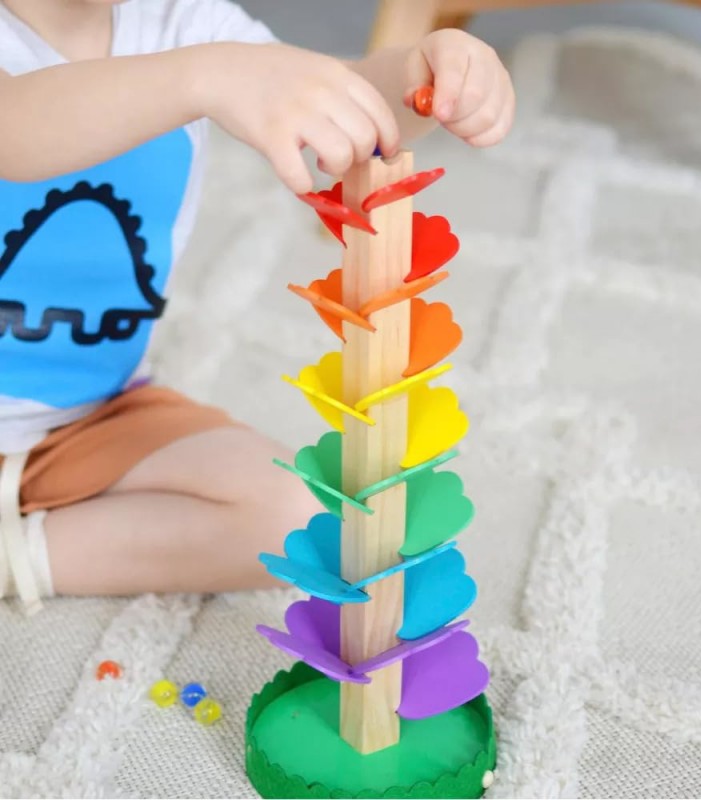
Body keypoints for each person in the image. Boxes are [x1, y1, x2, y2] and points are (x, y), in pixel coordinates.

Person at [0, 0, 515, 613]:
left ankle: (19, 555)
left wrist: (423, 76)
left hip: (93, 413)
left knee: (300, 515)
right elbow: (15, 129)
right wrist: (206, 75)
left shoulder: (183, 22)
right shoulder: (199, 59)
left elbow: (334, 95)